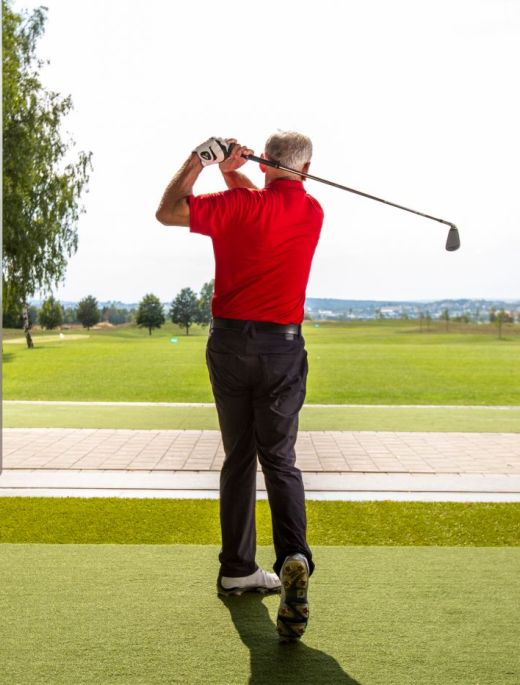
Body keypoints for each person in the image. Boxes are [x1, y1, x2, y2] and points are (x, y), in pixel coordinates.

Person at [155, 132, 324, 641]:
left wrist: (201, 162)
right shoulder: (312, 211)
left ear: (265, 163)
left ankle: (237, 568)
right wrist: (235, 168)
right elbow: (265, 202)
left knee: (238, 456)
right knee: (279, 458)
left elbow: (168, 211)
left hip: (229, 344)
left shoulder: (237, 204)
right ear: (307, 168)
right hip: (282, 348)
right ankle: (292, 555)